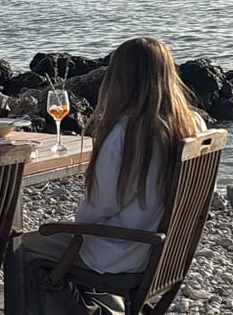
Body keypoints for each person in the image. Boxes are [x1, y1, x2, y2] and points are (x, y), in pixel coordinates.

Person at [22, 36, 207, 315]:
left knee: (20, 248)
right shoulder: (193, 124)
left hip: (118, 253)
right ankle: (101, 306)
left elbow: (97, 209)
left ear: (119, 79)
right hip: (165, 253)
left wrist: (74, 224)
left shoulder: (126, 134)